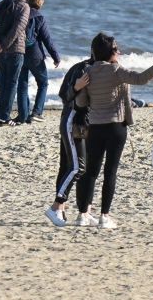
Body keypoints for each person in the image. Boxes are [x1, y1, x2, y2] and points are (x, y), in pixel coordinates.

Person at [73, 33, 153, 229]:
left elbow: (81, 102)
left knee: (91, 172)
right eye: (117, 49)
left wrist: (81, 89)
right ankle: (104, 217)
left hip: (94, 127)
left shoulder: (87, 72)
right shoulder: (116, 71)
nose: (119, 52)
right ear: (110, 53)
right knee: (110, 172)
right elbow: (142, 78)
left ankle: (82, 215)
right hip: (115, 128)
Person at [44, 54, 92, 227]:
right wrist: (76, 87)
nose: (119, 54)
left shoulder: (94, 68)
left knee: (67, 166)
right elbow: (65, 94)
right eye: (116, 51)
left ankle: (70, 210)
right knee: (76, 167)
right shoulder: (84, 69)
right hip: (73, 122)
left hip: (75, 122)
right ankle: (57, 206)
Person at [15, 0, 61, 123]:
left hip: (19, 52)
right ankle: (36, 112)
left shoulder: (20, 14)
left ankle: (23, 115)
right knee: (43, 83)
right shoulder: (39, 17)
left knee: (22, 84)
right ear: (40, 4)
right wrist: (56, 56)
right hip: (35, 55)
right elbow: (47, 40)